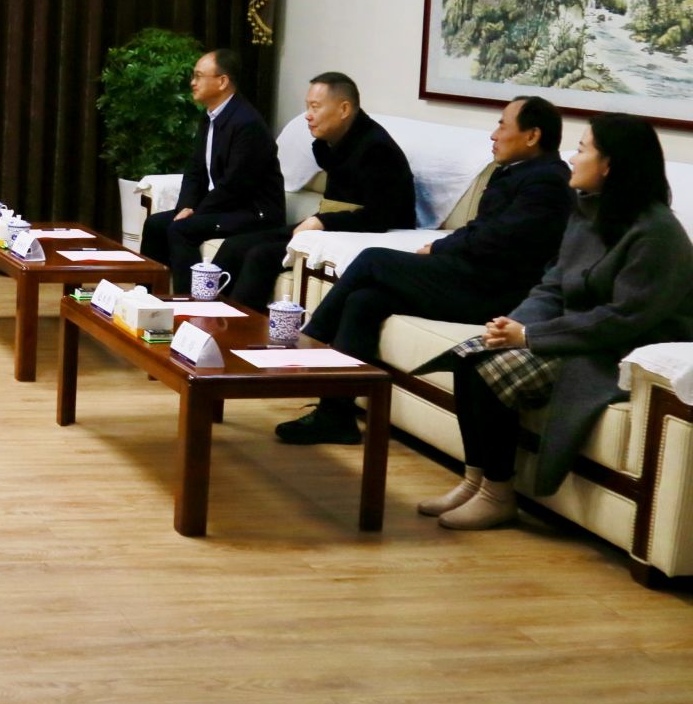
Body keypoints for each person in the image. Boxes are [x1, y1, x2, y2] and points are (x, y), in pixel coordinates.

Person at [428, 115, 693, 530]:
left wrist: (530, 336)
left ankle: (497, 495)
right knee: (469, 356)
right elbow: (553, 284)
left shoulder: (657, 233)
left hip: (616, 350)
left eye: (583, 149)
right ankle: (475, 480)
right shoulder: (588, 209)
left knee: (486, 373)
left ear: (609, 164)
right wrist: (512, 326)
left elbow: (622, 320)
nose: (572, 157)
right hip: (574, 332)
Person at [279, 95, 572, 445]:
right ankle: (335, 416)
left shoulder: (548, 183)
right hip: (470, 274)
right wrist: (442, 247)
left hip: (493, 291)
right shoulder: (517, 171)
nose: (494, 135)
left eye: (502, 126)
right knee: (364, 300)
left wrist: (439, 247)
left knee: (373, 259)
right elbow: (480, 229)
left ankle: (307, 342)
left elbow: (498, 239)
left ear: (532, 135)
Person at [217, 72, 416, 309]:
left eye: (315, 107)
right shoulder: (334, 139)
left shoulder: (377, 149)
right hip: (332, 224)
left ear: (344, 109)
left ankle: (238, 325)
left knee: (261, 255)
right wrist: (321, 221)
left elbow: (377, 218)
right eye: (307, 107)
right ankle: (201, 313)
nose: (308, 115)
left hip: (362, 232)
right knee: (235, 245)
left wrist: (320, 221)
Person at [141, 47, 282, 290]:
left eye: (198, 76)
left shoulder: (247, 123)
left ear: (222, 81)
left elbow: (236, 185)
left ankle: (189, 303)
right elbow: (195, 170)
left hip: (253, 213)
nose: (192, 82)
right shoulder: (210, 117)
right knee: (155, 224)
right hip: (225, 207)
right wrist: (186, 206)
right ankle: (147, 296)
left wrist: (198, 212)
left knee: (181, 230)